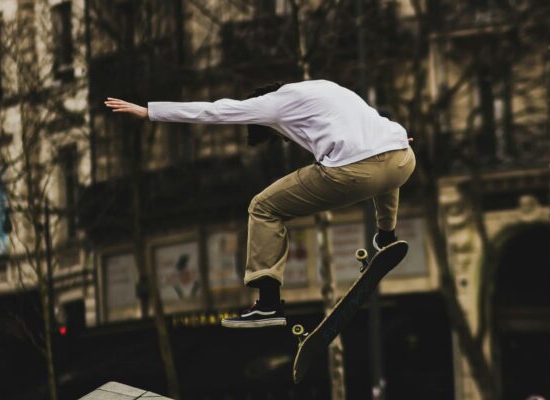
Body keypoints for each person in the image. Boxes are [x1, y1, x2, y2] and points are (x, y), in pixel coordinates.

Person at [104, 80, 415, 328]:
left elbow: (214, 111)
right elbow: (370, 125)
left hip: (353, 173)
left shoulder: (274, 104)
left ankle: (268, 303)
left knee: (263, 207)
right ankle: (386, 237)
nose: (286, 140)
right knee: (386, 175)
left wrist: (150, 112)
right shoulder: (324, 89)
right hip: (402, 157)